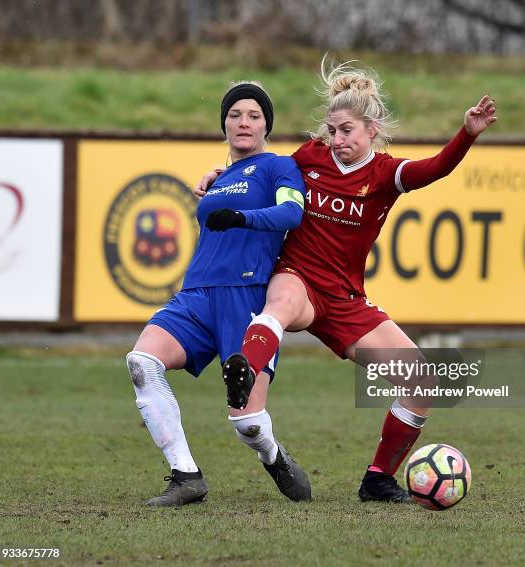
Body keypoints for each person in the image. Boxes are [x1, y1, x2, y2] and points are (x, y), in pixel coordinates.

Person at [196, 59, 497, 502]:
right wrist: (222, 177)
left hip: (345, 300)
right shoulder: (309, 159)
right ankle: (243, 368)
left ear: (371, 129)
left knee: (423, 383)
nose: (337, 141)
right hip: (298, 276)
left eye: (346, 131)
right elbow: (261, 175)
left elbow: (436, 168)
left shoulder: (384, 175)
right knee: (279, 305)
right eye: (332, 131)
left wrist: (466, 134)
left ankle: (377, 479)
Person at [126, 81, 311, 507]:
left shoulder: (278, 167)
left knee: (246, 422)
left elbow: (292, 212)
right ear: (223, 123)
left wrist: (241, 216)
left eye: (254, 116)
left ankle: (273, 455)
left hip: (244, 298)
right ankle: (186, 475)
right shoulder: (220, 175)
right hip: (196, 293)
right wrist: (220, 182)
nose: (243, 122)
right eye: (234, 115)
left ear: (267, 125)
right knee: (141, 362)